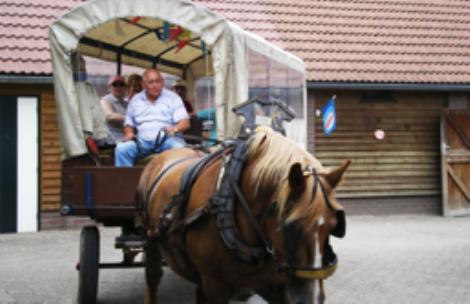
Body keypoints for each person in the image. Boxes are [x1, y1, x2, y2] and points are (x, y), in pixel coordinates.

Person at [115, 69, 190, 167]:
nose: (155, 85)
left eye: (158, 81)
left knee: (180, 148)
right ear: (144, 84)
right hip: (142, 142)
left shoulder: (173, 98)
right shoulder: (135, 100)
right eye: (151, 82)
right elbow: (128, 123)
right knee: (122, 149)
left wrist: (175, 128)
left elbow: (185, 122)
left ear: (162, 82)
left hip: (167, 140)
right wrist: (129, 133)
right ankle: (124, 181)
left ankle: (178, 182)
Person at [100, 75, 128, 142]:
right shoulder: (105, 100)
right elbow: (109, 116)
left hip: (125, 136)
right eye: (115, 85)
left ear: (125, 88)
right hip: (111, 138)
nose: (119, 87)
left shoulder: (126, 104)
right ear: (109, 88)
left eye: (121, 84)